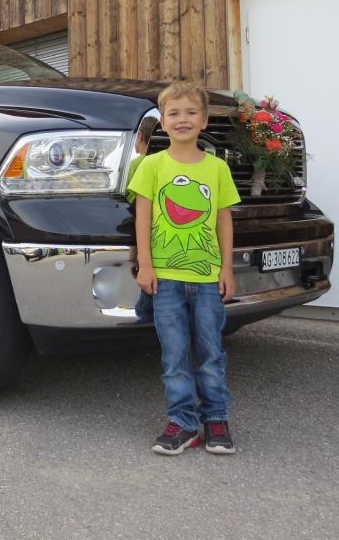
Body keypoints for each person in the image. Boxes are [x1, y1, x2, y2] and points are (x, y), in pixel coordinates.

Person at [127, 80, 240, 455]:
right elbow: (142, 218)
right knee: (174, 355)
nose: (183, 119)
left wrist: (227, 268)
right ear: (163, 121)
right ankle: (183, 422)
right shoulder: (152, 166)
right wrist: (145, 265)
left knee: (210, 353)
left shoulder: (217, 168)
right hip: (165, 280)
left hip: (208, 279)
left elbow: (224, 221)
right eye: (174, 113)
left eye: (191, 112)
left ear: (204, 120)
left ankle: (216, 419)